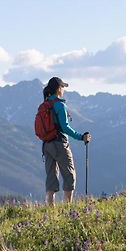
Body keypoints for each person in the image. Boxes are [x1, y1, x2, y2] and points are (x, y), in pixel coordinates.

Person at [42, 77, 91, 205]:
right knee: (69, 176)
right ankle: (67, 209)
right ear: (59, 89)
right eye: (63, 87)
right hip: (60, 144)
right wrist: (81, 137)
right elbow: (65, 127)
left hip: (46, 145)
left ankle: (50, 210)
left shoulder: (45, 105)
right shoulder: (59, 105)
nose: (64, 89)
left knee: (51, 179)